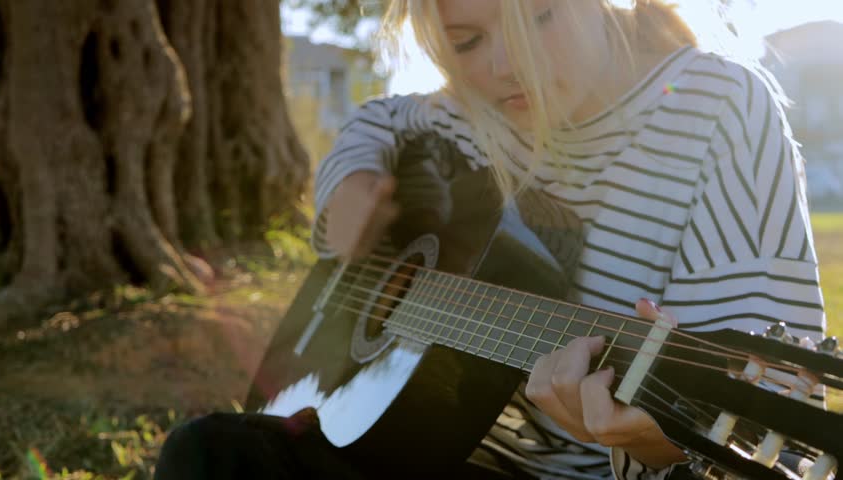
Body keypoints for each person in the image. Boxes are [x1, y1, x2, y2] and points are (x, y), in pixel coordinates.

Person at [154, 1, 827, 478]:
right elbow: (379, 120)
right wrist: (349, 178)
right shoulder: (461, 119)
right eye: (469, 41)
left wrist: (658, 446)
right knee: (208, 451)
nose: (506, 65)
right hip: (416, 450)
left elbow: (765, 419)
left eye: (537, 18)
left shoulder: (715, 108)